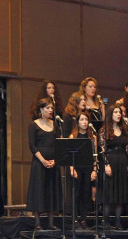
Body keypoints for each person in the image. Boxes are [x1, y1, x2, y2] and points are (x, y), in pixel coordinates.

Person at [26, 98, 60, 229]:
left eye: (51, 108)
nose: (50, 110)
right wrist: (43, 161)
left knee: (51, 189)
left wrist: (55, 160)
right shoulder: (33, 125)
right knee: (39, 189)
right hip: (39, 162)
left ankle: (51, 223)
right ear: (41, 109)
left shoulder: (55, 125)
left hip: (53, 161)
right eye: (47, 108)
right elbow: (32, 145)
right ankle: (38, 222)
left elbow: (58, 144)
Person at [102, 104, 128, 229]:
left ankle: (118, 221)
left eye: (120, 112)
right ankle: (106, 222)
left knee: (120, 193)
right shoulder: (104, 130)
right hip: (111, 161)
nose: (119, 114)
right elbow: (102, 149)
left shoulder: (124, 129)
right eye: (116, 112)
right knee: (109, 193)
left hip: (122, 161)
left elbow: (127, 148)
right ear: (111, 114)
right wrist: (106, 164)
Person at [68, 112, 98, 228]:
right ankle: (75, 219)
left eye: (86, 120)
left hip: (88, 168)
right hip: (77, 168)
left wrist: (94, 170)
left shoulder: (92, 137)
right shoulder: (73, 136)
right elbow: (69, 155)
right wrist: (72, 168)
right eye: (82, 120)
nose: (84, 122)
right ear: (78, 122)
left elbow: (94, 155)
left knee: (86, 194)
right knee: (76, 194)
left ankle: (83, 219)